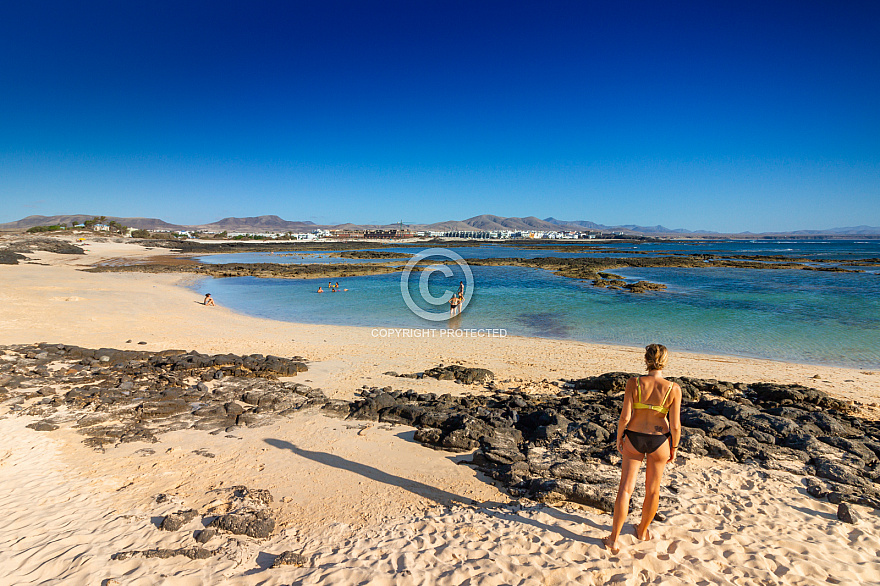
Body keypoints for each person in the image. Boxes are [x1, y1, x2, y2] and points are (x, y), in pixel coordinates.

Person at [603, 343, 682, 555]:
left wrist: (619, 437)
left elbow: (625, 417)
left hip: (634, 438)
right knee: (653, 490)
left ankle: (613, 539)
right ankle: (642, 531)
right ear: (665, 361)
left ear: (646, 360)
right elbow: (675, 425)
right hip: (659, 440)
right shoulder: (673, 388)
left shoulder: (634, 383)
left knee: (626, 489)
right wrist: (674, 446)